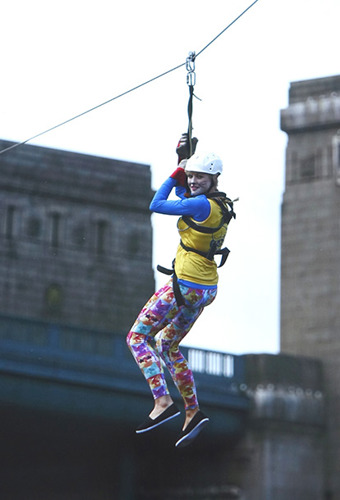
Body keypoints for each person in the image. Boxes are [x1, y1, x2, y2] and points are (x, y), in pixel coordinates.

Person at [126, 134, 235, 448]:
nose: (193, 181)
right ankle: (193, 411)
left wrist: (176, 173)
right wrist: (182, 164)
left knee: (137, 337)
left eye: (200, 176)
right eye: (192, 176)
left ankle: (163, 402)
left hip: (184, 285)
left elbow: (157, 202)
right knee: (169, 345)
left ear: (213, 178)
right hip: (204, 289)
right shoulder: (218, 203)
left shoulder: (200, 203)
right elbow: (183, 195)